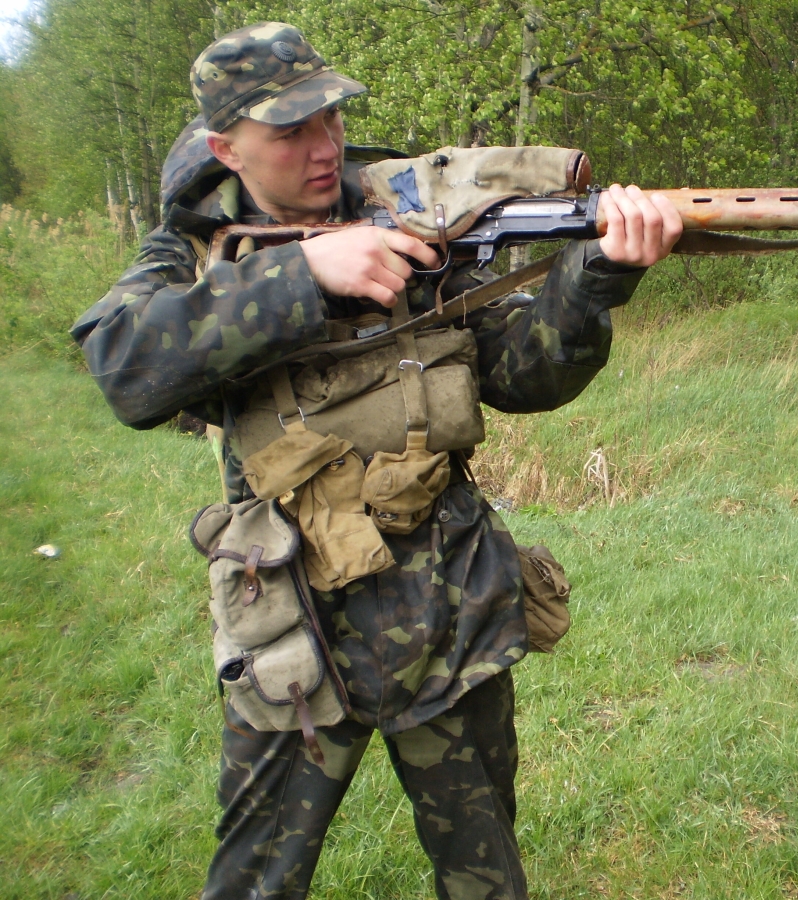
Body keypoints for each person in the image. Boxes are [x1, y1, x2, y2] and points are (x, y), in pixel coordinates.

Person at [70, 21, 682, 900]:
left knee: (484, 877)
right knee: (256, 880)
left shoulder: (412, 215)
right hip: (292, 628)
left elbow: (523, 375)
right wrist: (306, 273)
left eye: (331, 119)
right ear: (227, 148)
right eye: (291, 131)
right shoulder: (192, 248)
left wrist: (592, 278)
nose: (325, 148)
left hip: (447, 611)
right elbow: (125, 369)